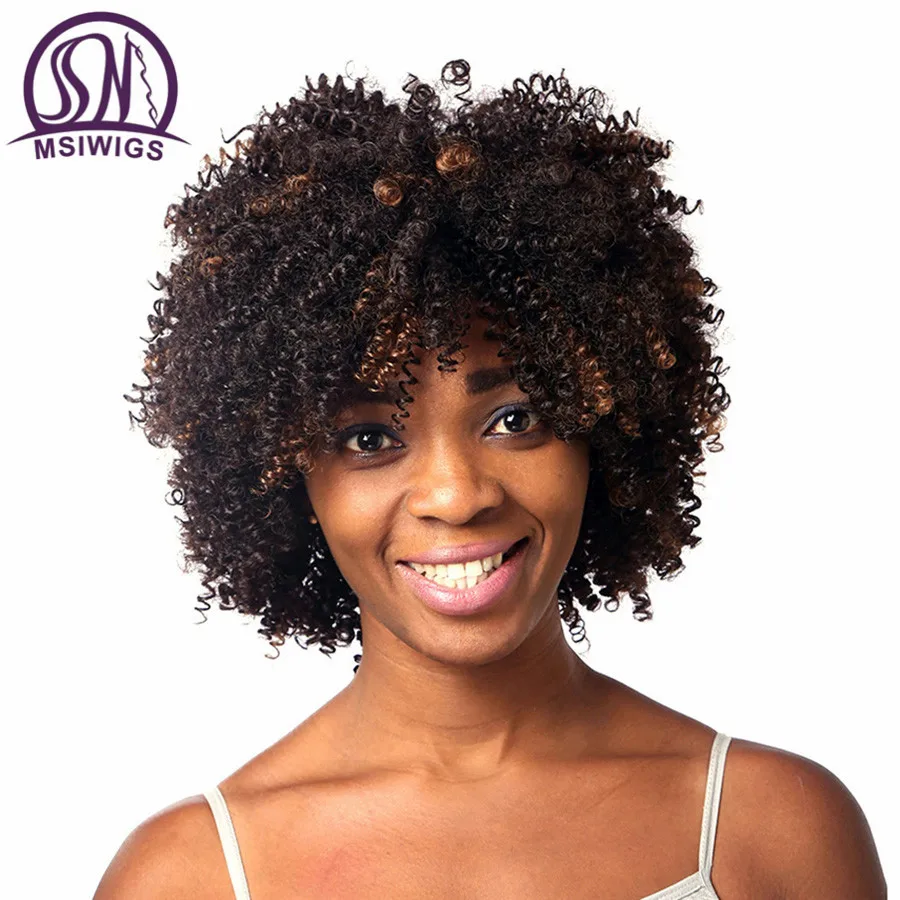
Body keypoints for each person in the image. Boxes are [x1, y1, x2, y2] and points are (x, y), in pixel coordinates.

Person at [95, 60, 886, 898]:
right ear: (284, 476)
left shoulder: (772, 831)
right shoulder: (187, 875)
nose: (456, 494)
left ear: (603, 429)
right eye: (369, 437)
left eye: (515, 418)